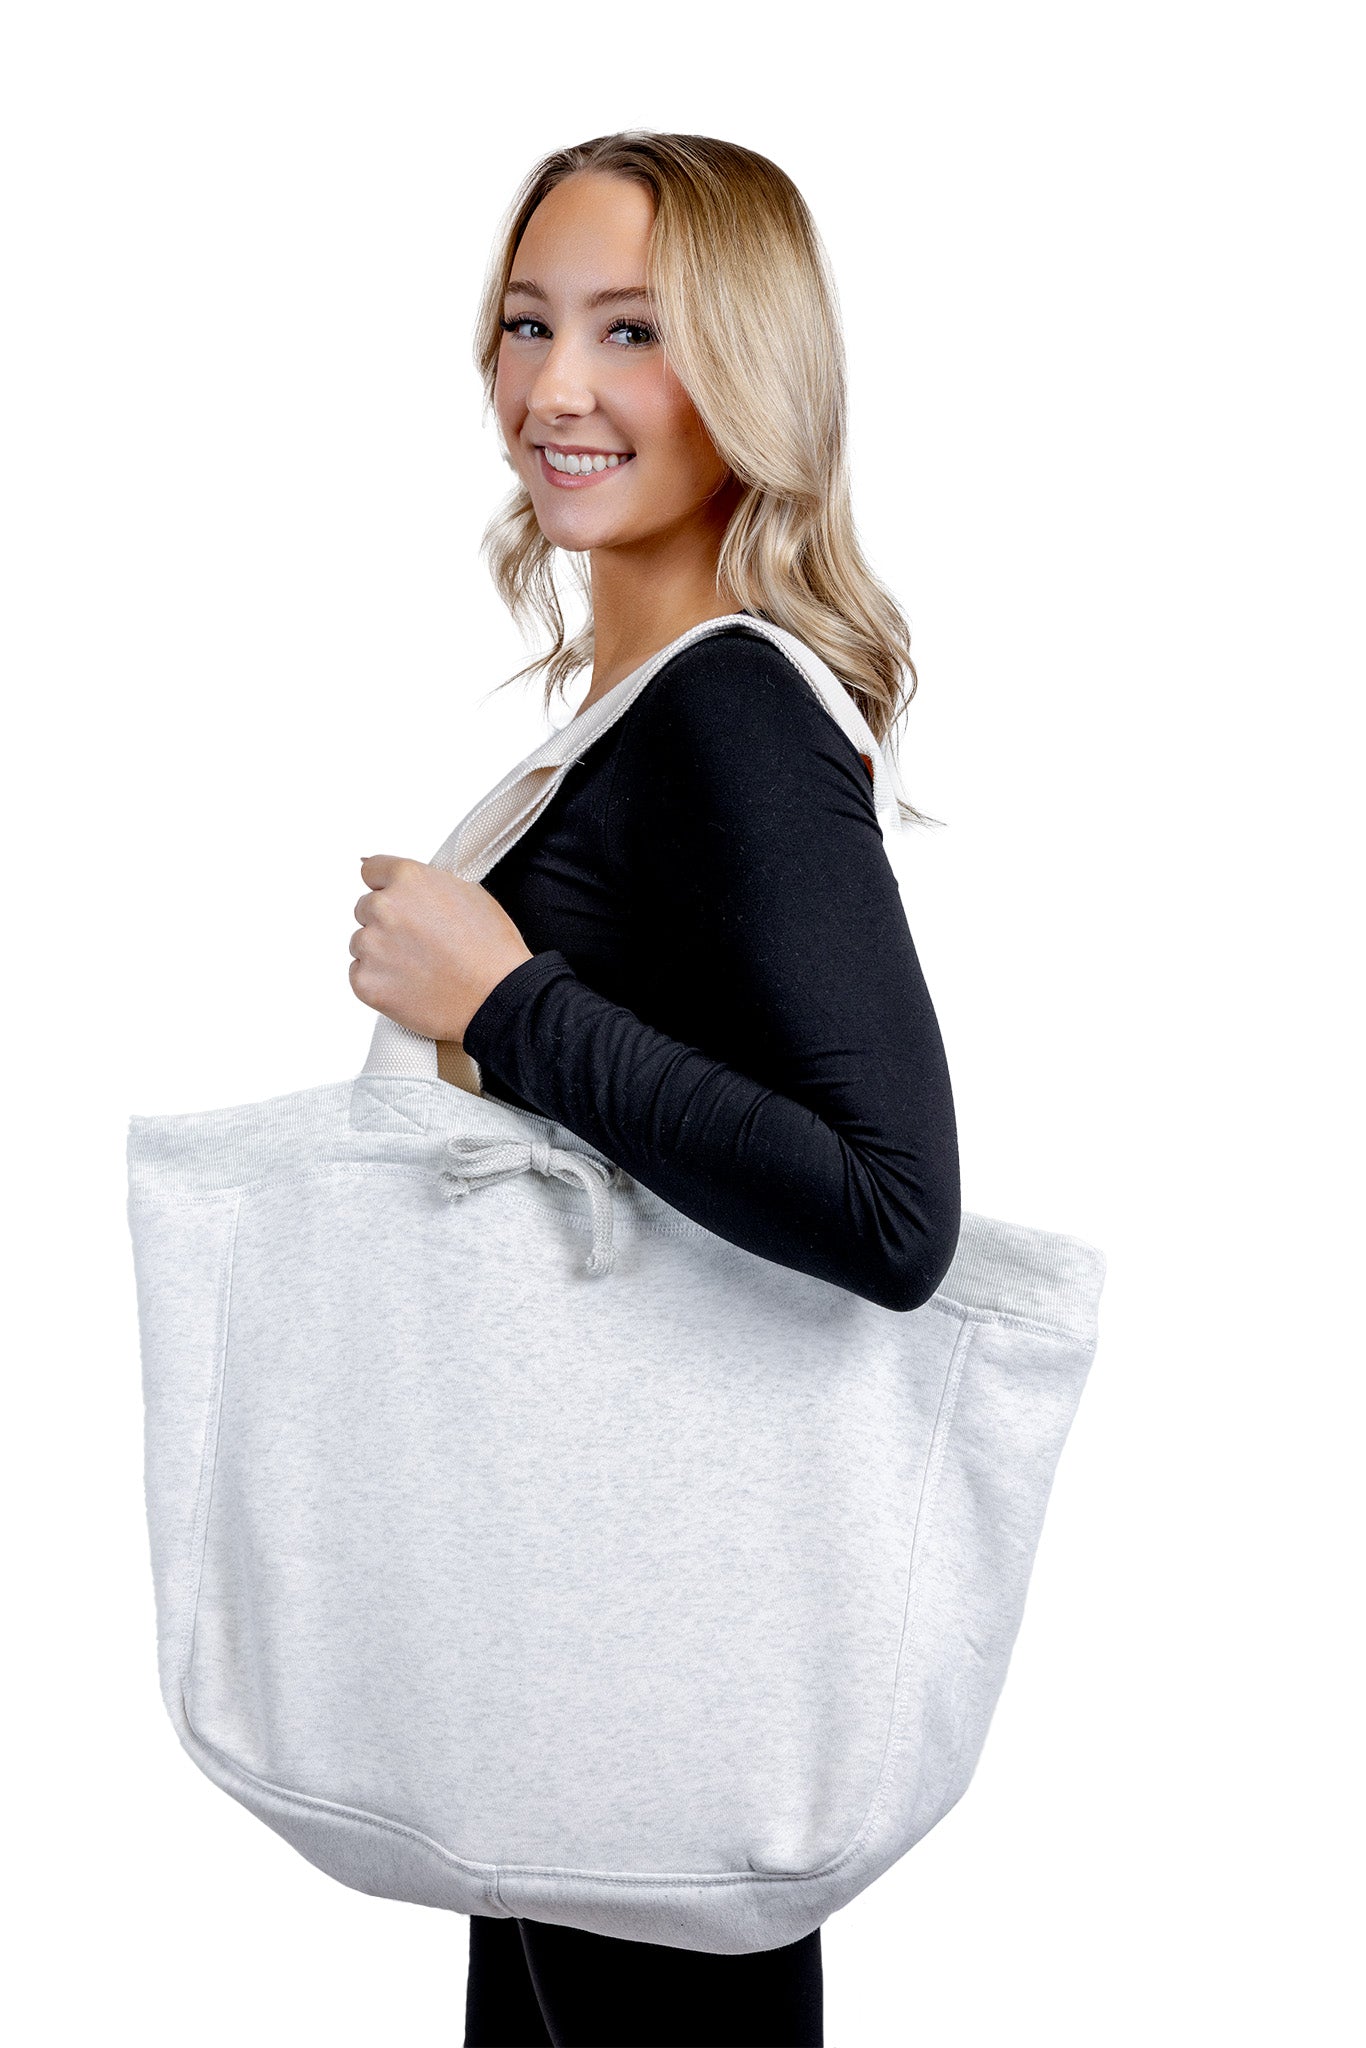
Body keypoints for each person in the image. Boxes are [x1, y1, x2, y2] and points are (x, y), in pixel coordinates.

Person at [349, 130, 961, 2048]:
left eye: (633, 331)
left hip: (641, 1650)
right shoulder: (626, 722)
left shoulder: (728, 711)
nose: (555, 386)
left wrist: (510, 1002)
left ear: (749, 375)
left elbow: (891, 1212)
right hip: (569, 1623)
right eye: (526, 325)